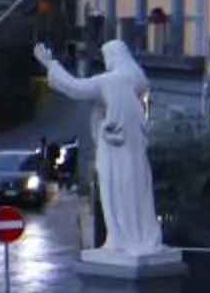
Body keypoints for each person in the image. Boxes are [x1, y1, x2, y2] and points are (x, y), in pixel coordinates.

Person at [34, 41, 163, 256]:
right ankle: (134, 236)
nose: (106, 63)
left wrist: (50, 64)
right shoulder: (133, 82)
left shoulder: (111, 82)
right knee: (136, 194)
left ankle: (122, 238)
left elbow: (75, 88)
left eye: (107, 58)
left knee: (117, 194)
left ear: (114, 57)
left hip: (115, 153)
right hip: (134, 154)